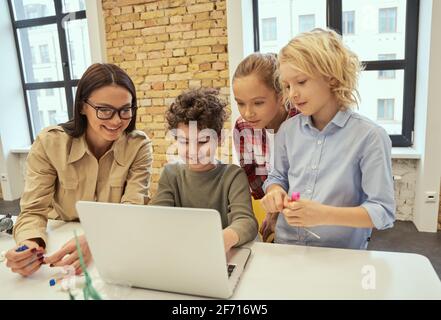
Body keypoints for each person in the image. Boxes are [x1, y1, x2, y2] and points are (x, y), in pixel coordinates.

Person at [6, 63, 153, 276]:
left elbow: (132, 209)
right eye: (104, 110)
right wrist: (30, 243)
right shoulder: (50, 143)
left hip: (112, 242)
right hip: (58, 245)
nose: (116, 120)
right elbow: (34, 210)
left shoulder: (138, 146)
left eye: (125, 110)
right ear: (83, 106)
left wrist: (97, 239)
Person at [261, 28, 395, 249]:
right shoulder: (287, 131)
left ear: (331, 78)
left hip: (340, 253)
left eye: (301, 81)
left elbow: (383, 211)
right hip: (286, 246)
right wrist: (274, 191)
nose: (292, 93)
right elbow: (277, 177)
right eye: (287, 86)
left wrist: (324, 215)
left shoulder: (370, 137)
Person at [151, 88, 258, 252]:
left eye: (202, 141)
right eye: (184, 142)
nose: (193, 151)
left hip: (220, 254)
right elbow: (158, 219)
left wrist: (218, 241)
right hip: (181, 254)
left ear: (220, 139)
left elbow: (246, 222)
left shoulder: (232, 175)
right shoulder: (171, 174)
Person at [232, 53, 299, 241]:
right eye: (240, 103)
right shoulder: (242, 126)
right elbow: (253, 176)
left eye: (258, 103)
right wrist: (271, 212)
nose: (248, 112)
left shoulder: (302, 121)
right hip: (274, 212)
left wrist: (281, 213)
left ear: (281, 96)